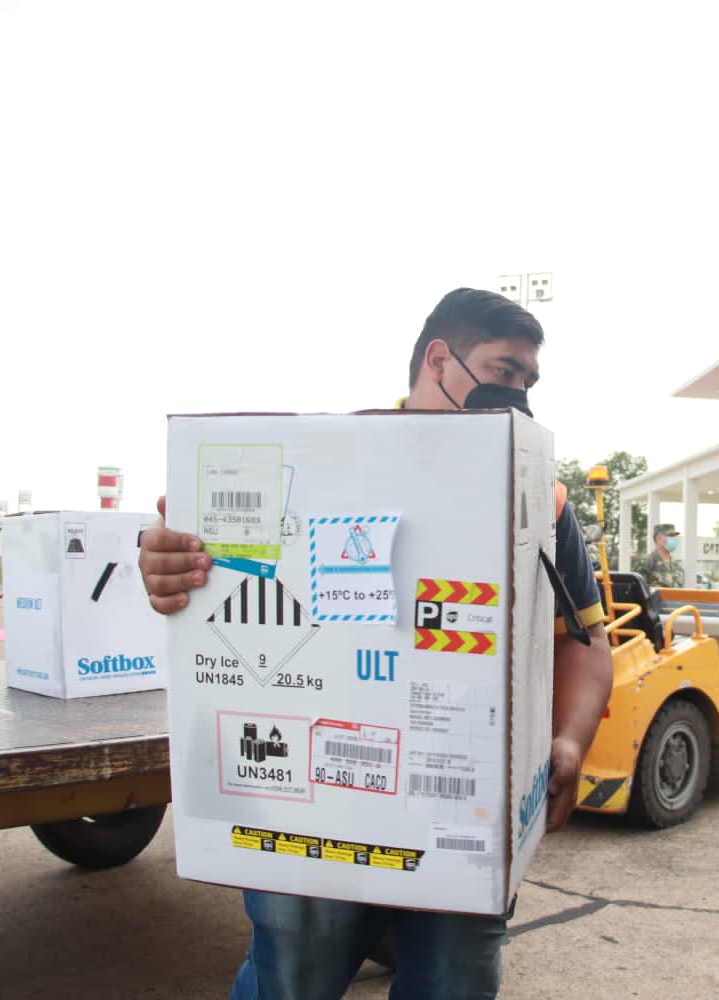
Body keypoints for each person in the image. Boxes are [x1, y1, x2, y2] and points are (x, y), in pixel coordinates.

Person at [139, 288, 614, 1000]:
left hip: (462, 809)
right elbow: (209, 568)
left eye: (528, 382)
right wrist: (167, 564)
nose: (518, 395)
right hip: (310, 808)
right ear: (438, 359)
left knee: (453, 982)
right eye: (504, 371)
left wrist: (570, 742)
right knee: (291, 979)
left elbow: (588, 640)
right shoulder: (330, 461)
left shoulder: (538, 491)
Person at [634, 523, 684, 588]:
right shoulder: (646, 563)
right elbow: (638, 591)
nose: (674, 539)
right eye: (670, 535)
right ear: (658, 538)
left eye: (674, 536)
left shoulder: (678, 567)